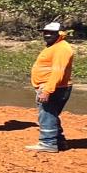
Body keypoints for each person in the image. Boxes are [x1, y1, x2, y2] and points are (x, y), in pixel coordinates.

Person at [27, 21, 74, 153]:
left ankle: (48, 143)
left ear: (60, 34)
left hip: (54, 87)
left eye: (51, 33)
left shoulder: (62, 48)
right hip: (53, 86)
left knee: (47, 115)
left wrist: (47, 90)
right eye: (45, 32)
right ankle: (59, 141)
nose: (47, 35)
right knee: (51, 114)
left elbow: (58, 71)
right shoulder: (55, 46)